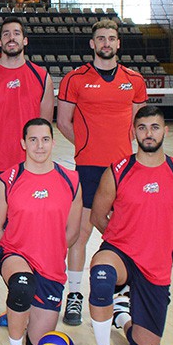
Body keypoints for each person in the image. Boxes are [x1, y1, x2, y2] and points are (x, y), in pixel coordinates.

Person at [87, 106, 173, 345]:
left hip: (155, 264)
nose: (149, 134)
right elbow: (97, 216)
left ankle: (121, 314)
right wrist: (125, 240)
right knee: (101, 275)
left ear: (165, 131)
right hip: (120, 254)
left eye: (155, 127)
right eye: (143, 128)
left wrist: (154, 246)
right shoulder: (118, 171)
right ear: (133, 132)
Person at [56, 19, 148, 327]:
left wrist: (119, 151)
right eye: (101, 38)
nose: (106, 43)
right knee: (80, 235)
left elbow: (138, 125)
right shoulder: (75, 79)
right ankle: (74, 296)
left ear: (118, 44)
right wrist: (86, 146)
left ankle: (122, 297)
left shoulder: (134, 80)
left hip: (124, 173)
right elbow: (64, 122)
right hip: (89, 169)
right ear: (92, 44)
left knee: (124, 235)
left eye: (111, 38)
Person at [0, 118, 82, 345]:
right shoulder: (9, 179)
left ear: (53, 142)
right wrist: (13, 250)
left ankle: (20, 316)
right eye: (33, 140)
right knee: (22, 284)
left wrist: (47, 250)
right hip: (16, 256)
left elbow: (72, 232)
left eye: (45, 140)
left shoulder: (71, 180)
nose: (39, 146)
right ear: (23, 143)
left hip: (51, 266)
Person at [0, 16, 54, 323]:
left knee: (29, 233)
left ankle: (22, 299)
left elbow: (43, 125)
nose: (11, 38)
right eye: (6, 34)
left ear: (25, 40)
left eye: (16, 33)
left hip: (29, 171)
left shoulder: (41, 75)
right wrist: (2, 139)